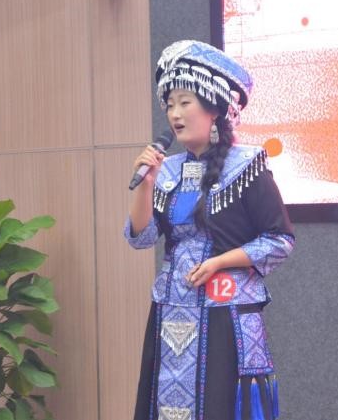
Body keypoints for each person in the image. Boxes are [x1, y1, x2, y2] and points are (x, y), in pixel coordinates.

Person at [125, 39, 295, 420]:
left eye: (184, 102)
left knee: (219, 406)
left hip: (225, 313)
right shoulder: (167, 169)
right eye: (170, 105)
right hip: (171, 309)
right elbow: (142, 237)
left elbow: (280, 240)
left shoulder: (247, 165)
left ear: (214, 109)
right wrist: (146, 184)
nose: (174, 113)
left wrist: (220, 262)